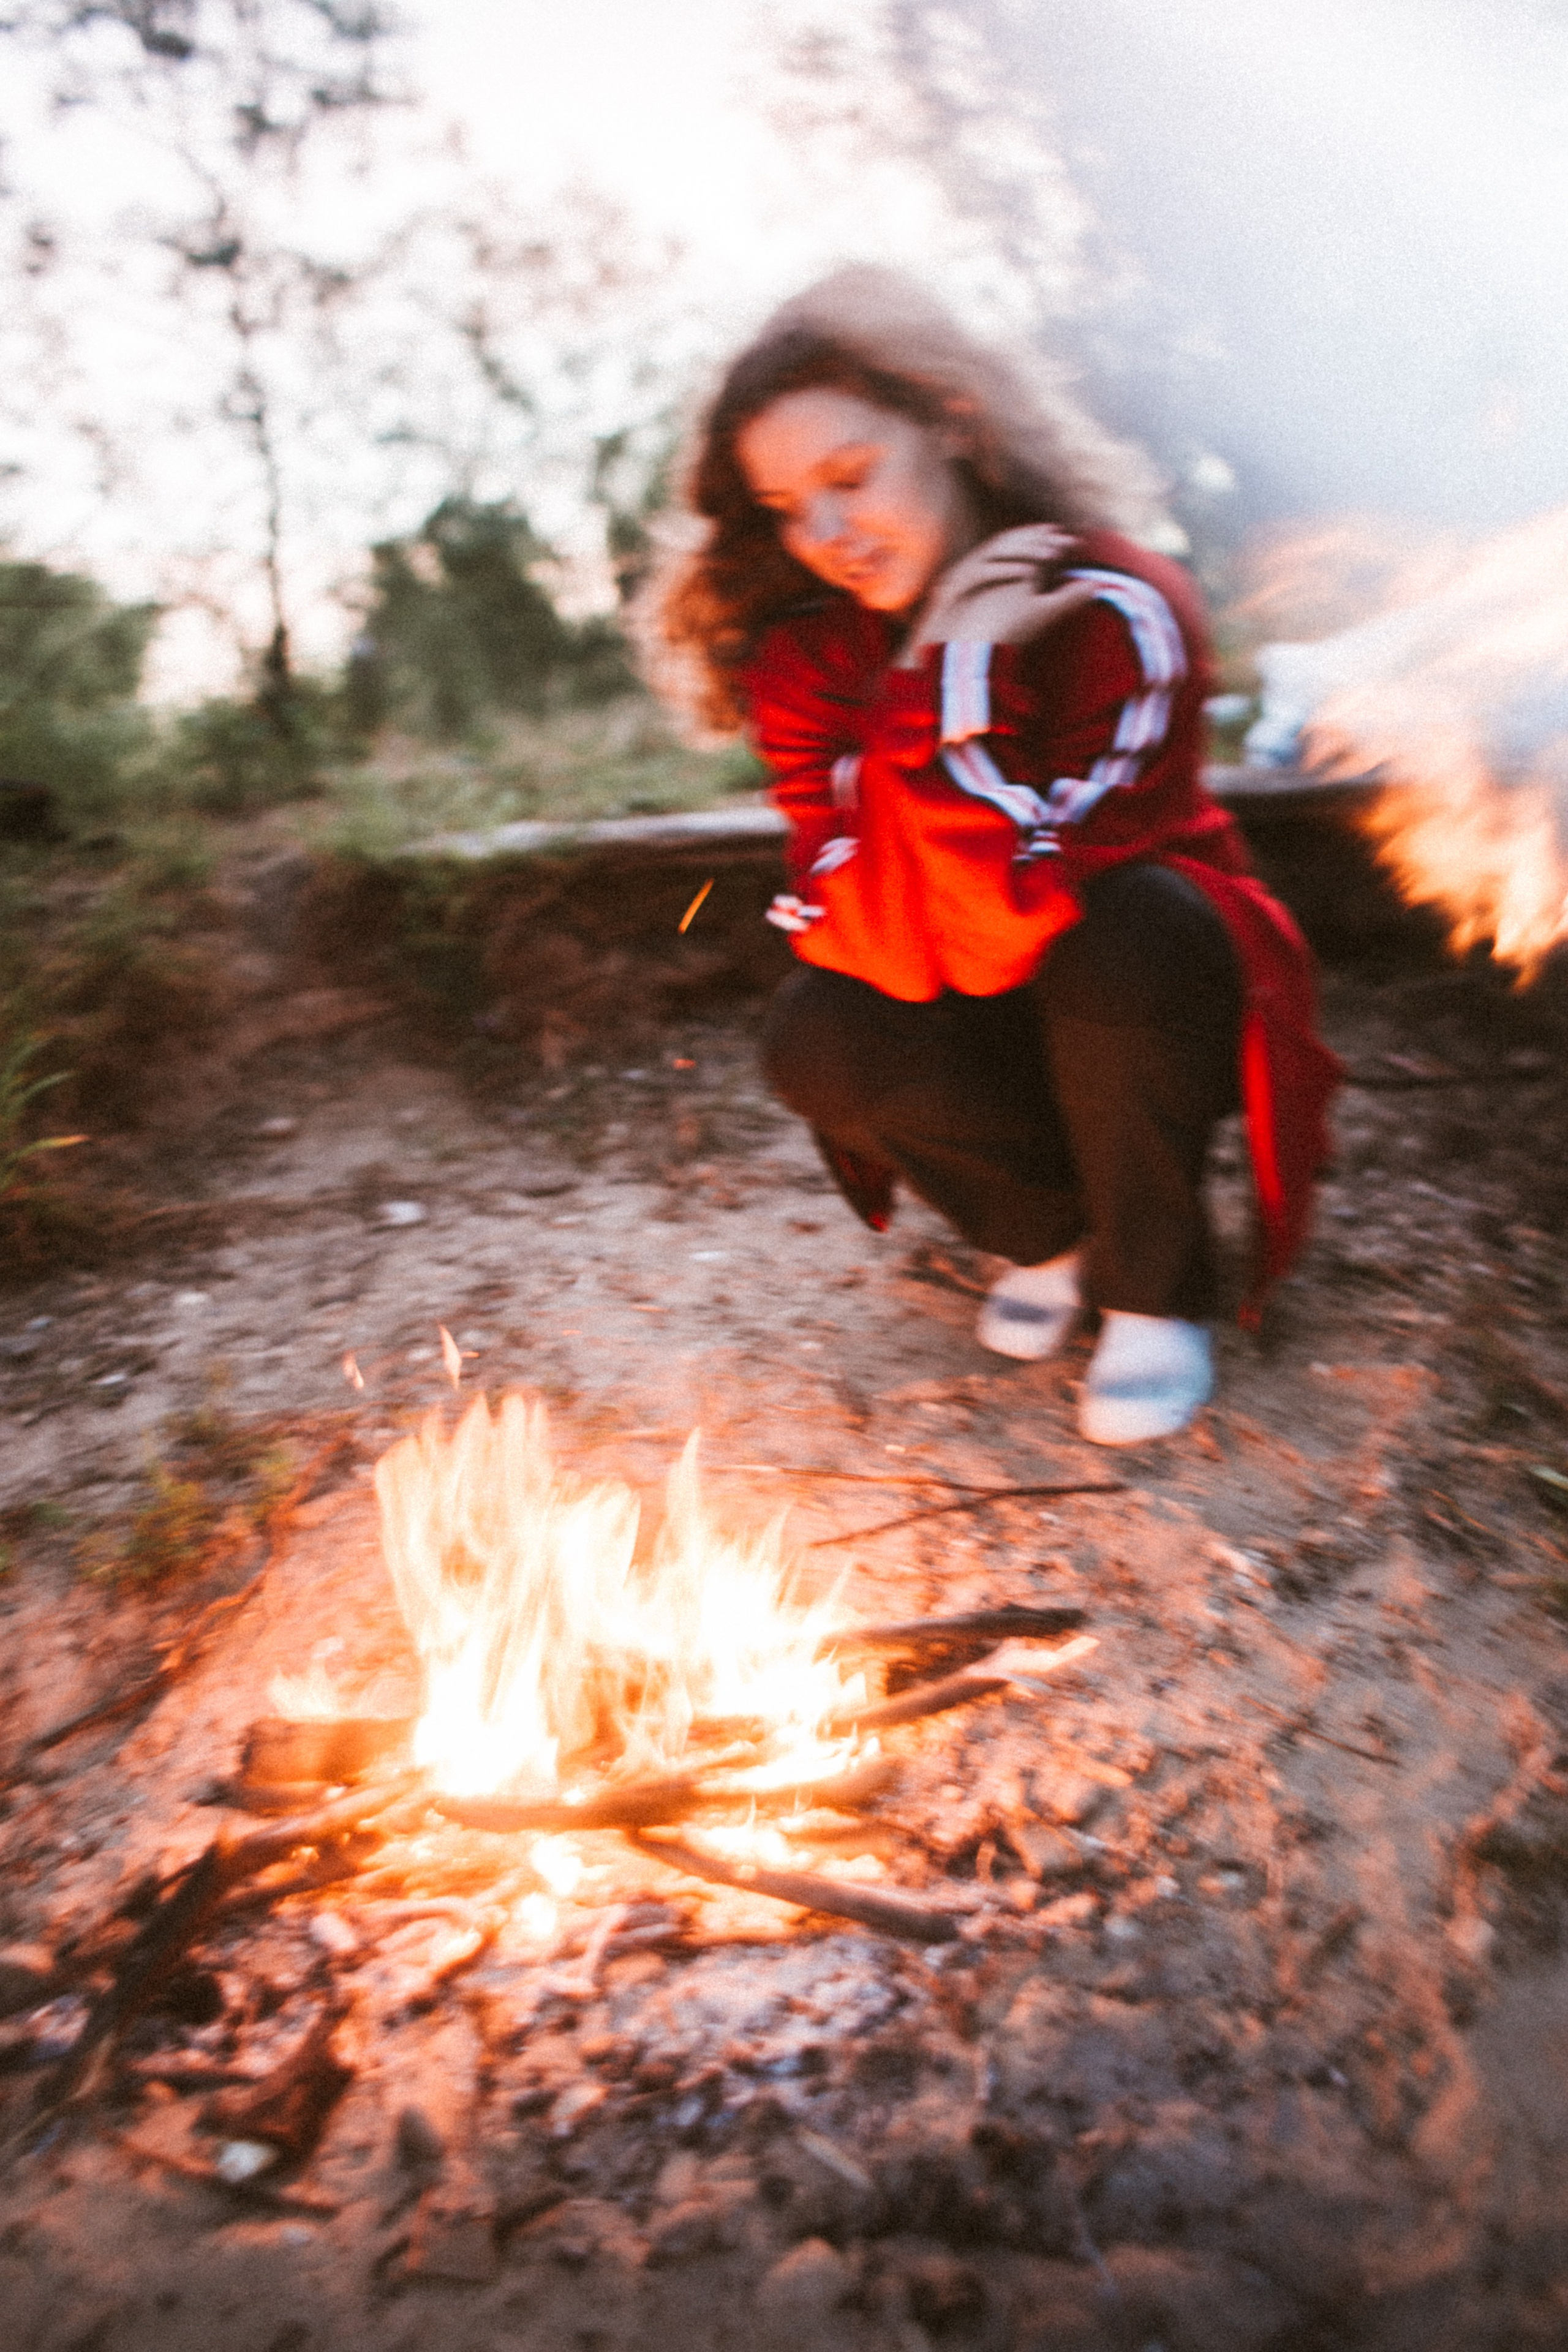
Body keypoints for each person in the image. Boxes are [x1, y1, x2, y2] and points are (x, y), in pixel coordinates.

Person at [640, 270, 1339, 1444]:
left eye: (850, 480)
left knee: (1129, 934)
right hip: (965, 977)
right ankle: (1056, 1236)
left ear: (954, 424)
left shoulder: (1116, 603)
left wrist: (956, 687)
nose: (826, 536)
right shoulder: (806, 660)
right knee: (817, 1030)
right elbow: (867, 935)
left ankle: (1155, 1289)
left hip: (1154, 993)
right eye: (784, 508)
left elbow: (1019, 904)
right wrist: (934, 679)